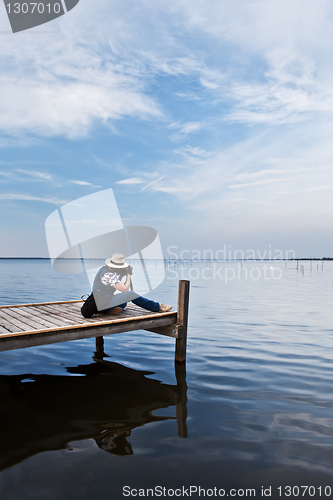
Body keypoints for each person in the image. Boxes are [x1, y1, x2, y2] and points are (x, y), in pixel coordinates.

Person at [91, 253, 172, 316]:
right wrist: (128, 274)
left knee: (124, 301)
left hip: (98, 304)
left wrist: (122, 275)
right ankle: (157, 307)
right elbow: (125, 289)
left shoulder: (103, 270)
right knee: (131, 295)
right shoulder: (110, 275)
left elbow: (114, 286)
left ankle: (109, 311)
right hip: (104, 304)